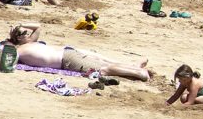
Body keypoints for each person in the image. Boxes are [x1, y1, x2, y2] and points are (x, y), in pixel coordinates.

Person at [9, 25, 151, 81]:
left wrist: (22, 25)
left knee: (103, 69)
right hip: (67, 56)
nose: (28, 32)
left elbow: (38, 27)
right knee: (103, 66)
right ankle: (136, 69)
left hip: (67, 57)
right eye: (24, 32)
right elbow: (8, 57)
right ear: (19, 38)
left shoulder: (30, 42)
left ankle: (138, 72)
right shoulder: (21, 49)